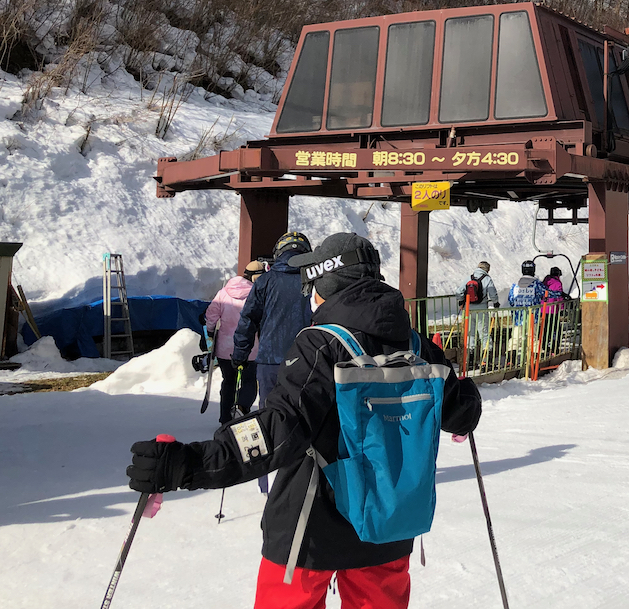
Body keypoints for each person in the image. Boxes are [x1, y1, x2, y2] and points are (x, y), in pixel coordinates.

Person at [126, 233, 482, 609]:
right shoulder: (415, 344)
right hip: (390, 521)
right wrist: (467, 398)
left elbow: (279, 429)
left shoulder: (322, 344)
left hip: (312, 523)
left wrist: (191, 462)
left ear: (325, 284)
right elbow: (460, 412)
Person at [233, 230, 312, 492]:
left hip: (269, 360)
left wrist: (240, 353)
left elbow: (248, 319)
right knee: (305, 416)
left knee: (268, 416)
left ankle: (266, 479)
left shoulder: (265, 281)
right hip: (306, 361)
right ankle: (301, 478)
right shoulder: (313, 280)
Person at [204, 260, 265, 424]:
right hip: (250, 347)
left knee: (228, 381)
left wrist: (210, 332)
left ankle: (225, 417)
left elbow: (211, 315)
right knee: (249, 380)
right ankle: (241, 409)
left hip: (225, 348)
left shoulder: (223, 292)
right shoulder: (257, 294)